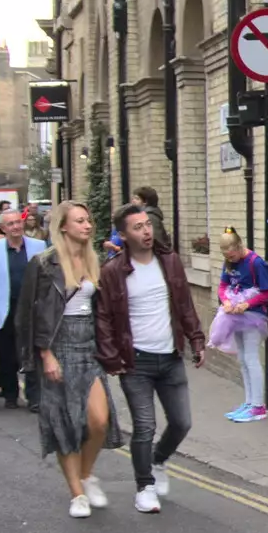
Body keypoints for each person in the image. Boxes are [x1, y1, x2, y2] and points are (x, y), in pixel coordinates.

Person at [94, 203, 206, 513]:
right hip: (136, 362)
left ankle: (158, 460)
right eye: (137, 227)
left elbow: (184, 305)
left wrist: (197, 339)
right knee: (144, 426)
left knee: (182, 422)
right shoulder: (113, 271)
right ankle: (144, 487)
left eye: (147, 224)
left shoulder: (169, 261)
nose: (146, 231)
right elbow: (103, 318)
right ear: (122, 234)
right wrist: (111, 356)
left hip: (170, 358)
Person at [19, 202, 125, 518]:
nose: (87, 225)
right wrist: (45, 354)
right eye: (80, 220)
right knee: (65, 423)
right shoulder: (44, 263)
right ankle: (77, 495)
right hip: (57, 345)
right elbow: (31, 313)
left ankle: (86, 473)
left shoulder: (96, 262)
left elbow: (102, 311)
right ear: (63, 226)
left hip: (87, 347)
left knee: (99, 421)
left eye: (89, 219)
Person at [0, 209, 48, 410]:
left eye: (18, 222)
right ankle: (11, 394)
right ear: (3, 228)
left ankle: (35, 398)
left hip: (31, 309)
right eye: (10, 224)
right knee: (6, 355)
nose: (16, 227)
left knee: (32, 352)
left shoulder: (39, 246)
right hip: (3, 309)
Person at [218, 227, 268, 423]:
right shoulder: (228, 263)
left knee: (251, 358)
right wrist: (225, 300)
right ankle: (250, 402)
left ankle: (258, 406)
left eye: (232, 255)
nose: (230, 259)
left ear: (239, 246)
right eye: (227, 256)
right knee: (242, 358)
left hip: (254, 316)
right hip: (235, 315)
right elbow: (223, 285)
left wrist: (247, 304)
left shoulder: (255, 263)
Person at [133, 186, 173, 253]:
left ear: (145, 202)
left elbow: (157, 242)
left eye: (137, 199)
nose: (133, 201)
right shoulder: (146, 215)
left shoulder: (150, 217)